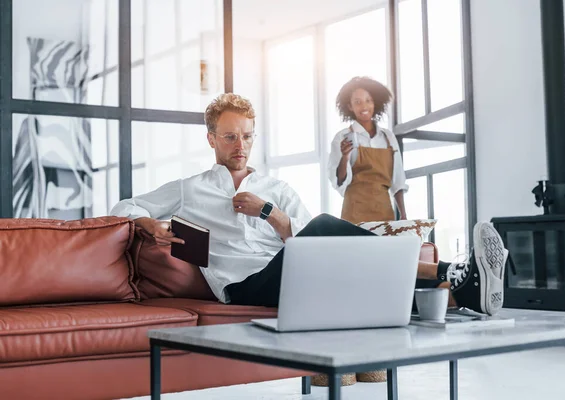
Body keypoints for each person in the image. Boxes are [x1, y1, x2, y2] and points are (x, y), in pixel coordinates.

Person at [110, 93, 507, 316]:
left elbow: (303, 239)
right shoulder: (189, 189)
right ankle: (454, 272)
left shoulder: (275, 187)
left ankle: (463, 289)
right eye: (230, 137)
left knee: (338, 255)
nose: (240, 145)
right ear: (211, 139)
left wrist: (270, 213)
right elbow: (124, 204)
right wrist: (149, 224)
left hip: (295, 269)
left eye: (247, 136)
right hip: (243, 286)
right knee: (322, 227)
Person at [328, 76, 408, 223]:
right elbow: (339, 180)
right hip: (354, 211)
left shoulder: (388, 137)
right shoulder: (342, 138)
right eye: (357, 102)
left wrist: (403, 215)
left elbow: (398, 180)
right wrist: (345, 157)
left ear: (375, 102)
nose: (364, 106)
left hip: (384, 211)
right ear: (350, 106)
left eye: (368, 100)